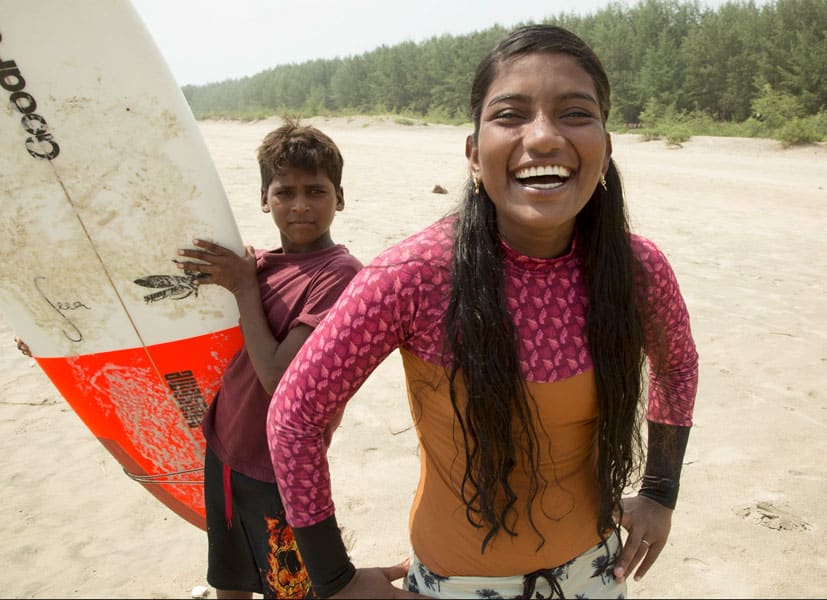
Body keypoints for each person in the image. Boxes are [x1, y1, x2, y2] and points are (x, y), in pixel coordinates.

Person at [267, 24, 699, 599]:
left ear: (606, 147)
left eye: (575, 113)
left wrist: (660, 493)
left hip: (595, 569)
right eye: (511, 115)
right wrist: (333, 578)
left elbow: (678, 366)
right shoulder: (414, 276)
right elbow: (294, 417)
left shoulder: (637, 270)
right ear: (474, 154)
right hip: (457, 582)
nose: (543, 138)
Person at [175, 121, 363, 599]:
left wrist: (242, 286)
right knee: (231, 580)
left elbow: (280, 378)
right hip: (222, 448)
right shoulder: (256, 265)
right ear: (264, 198)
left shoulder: (339, 274)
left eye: (315, 191)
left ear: (339, 197)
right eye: (285, 192)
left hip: (280, 469)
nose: (300, 205)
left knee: (291, 590)